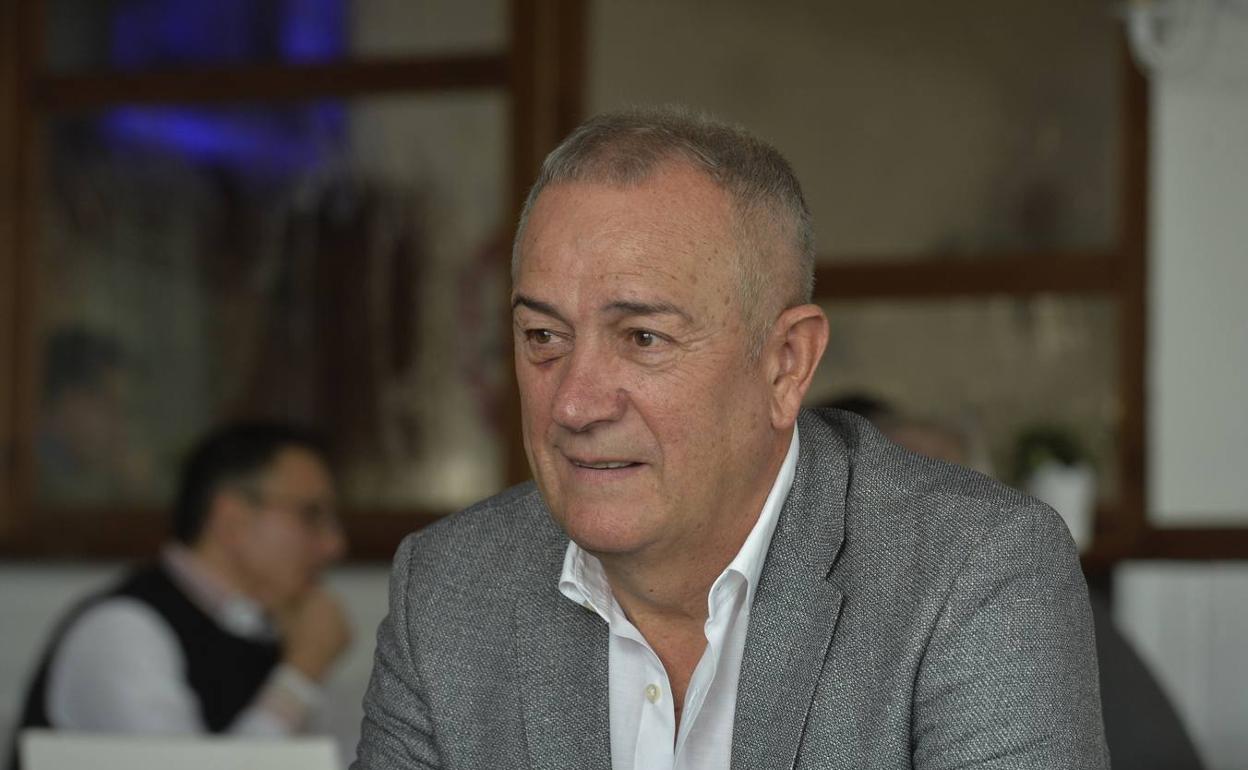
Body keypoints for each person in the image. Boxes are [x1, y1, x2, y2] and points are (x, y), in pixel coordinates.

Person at [353, 107, 1108, 769]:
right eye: (543, 337)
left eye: (643, 338)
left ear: (786, 366)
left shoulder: (970, 573)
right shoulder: (449, 588)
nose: (574, 404)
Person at [10, 421, 351, 769]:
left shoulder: (269, 627)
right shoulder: (123, 630)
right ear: (232, 520)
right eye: (311, 515)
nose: (334, 545)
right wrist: (300, 677)